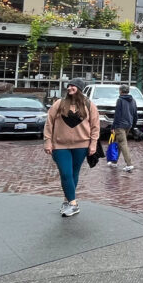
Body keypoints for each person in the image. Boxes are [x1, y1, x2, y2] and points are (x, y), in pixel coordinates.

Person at [43, 78, 100, 217]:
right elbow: (49, 123)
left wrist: (93, 144)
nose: (70, 88)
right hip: (60, 145)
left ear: (80, 89)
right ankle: (73, 204)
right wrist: (47, 141)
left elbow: (95, 126)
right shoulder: (59, 104)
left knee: (74, 173)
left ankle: (67, 200)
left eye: (73, 86)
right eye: (68, 86)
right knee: (66, 173)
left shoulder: (89, 105)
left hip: (81, 145)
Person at [108, 84, 137, 172]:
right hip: (128, 124)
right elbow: (135, 114)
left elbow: (117, 115)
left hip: (120, 125)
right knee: (120, 143)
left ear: (121, 91)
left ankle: (129, 164)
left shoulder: (120, 100)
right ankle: (114, 161)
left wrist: (113, 126)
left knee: (123, 144)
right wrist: (133, 125)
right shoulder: (133, 100)